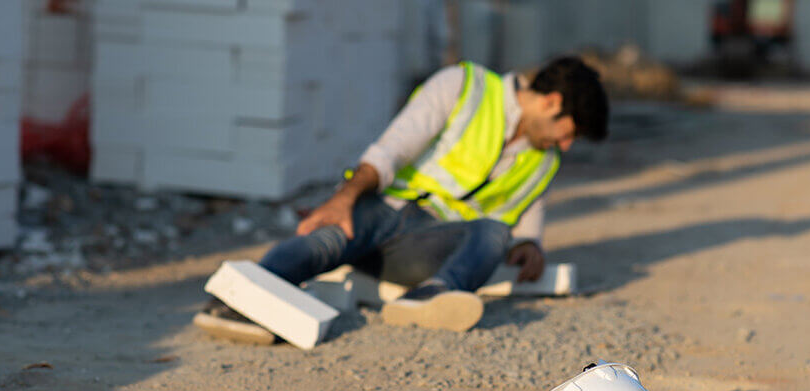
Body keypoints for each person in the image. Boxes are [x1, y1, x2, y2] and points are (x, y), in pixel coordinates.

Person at [200, 56, 609, 333]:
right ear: (552, 102)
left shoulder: (544, 158)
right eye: (569, 132)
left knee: (495, 234)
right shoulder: (464, 86)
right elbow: (392, 148)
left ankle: (431, 296)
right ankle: (236, 301)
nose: (567, 145)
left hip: (427, 247)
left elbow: (523, 210)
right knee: (327, 238)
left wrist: (531, 245)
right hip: (384, 209)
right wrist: (345, 197)